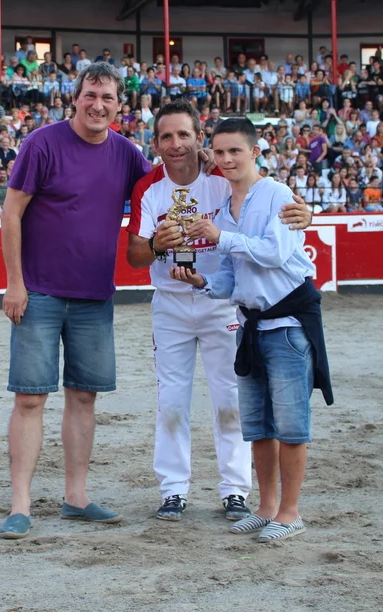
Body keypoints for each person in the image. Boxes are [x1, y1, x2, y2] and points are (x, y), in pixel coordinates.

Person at [126, 101, 311, 523]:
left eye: (184, 135)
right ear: (155, 144)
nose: (176, 144)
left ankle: (235, 490)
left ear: (198, 138)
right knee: (171, 399)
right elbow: (135, 255)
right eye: (167, 136)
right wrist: (156, 244)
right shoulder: (148, 187)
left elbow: (265, 195)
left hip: (222, 301)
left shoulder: (221, 176)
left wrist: (307, 213)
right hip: (171, 303)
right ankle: (173, 489)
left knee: (230, 397)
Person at [0, 62, 151, 540]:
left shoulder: (127, 154)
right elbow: (11, 212)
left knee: (84, 397)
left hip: (93, 295)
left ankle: (76, 497)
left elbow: (166, 191)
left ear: (119, 106)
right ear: (76, 97)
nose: (98, 105)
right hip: (39, 291)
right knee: (30, 398)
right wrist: (15, 282)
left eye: (107, 98)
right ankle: (20, 504)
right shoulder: (42, 143)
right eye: (91, 95)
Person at [171, 117, 333, 544]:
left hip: (287, 327)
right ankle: (266, 507)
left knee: (291, 426)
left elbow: (275, 253)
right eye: (220, 152)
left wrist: (220, 237)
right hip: (251, 327)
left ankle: (290, 512)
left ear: (255, 152)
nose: (226, 159)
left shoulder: (277, 195)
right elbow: (232, 278)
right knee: (259, 426)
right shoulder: (227, 207)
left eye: (235, 151)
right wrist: (202, 282)